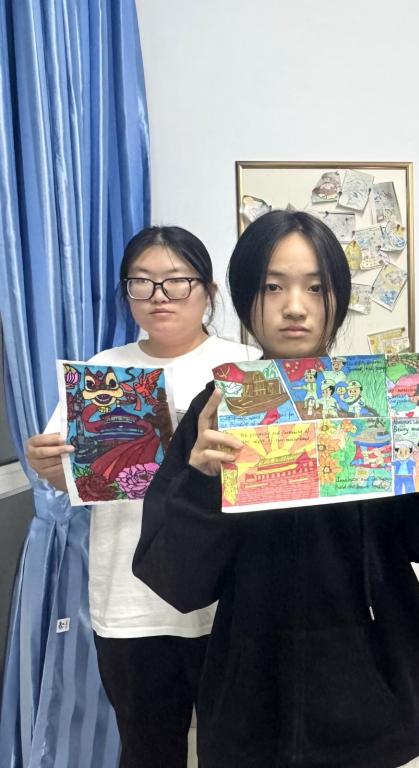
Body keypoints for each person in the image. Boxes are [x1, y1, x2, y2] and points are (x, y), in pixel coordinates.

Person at [132, 210, 419, 768]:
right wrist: (200, 484)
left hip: (376, 704)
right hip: (253, 713)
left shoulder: (382, 401)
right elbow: (177, 581)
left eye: (316, 287)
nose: (295, 306)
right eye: (273, 287)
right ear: (246, 298)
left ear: (338, 299)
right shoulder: (215, 412)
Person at [25, 225, 256, 768]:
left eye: (176, 281)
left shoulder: (247, 366)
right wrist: (48, 468)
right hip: (130, 601)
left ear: (208, 290)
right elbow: (74, 479)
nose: (159, 296)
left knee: (239, 749)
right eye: (141, 282)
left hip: (230, 599)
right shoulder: (101, 372)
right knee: (148, 750)